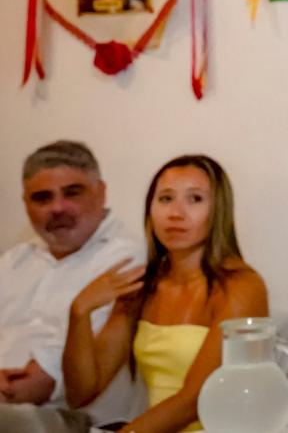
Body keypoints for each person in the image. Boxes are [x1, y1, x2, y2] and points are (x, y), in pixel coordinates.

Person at [61, 155, 267, 433]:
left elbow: (195, 400)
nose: (176, 213)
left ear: (219, 210)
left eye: (195, 199)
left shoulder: (241, 285)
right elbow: (80, 393)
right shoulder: (141, 287)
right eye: (166, 199)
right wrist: (79, 311)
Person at [0, 142, 145, 431]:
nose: (57, 208)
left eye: (72, 193)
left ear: (101, 192)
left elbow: (38, 385)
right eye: (42, 198)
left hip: (74, 423)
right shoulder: (14, 261)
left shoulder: (126, 259)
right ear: (25, 203)